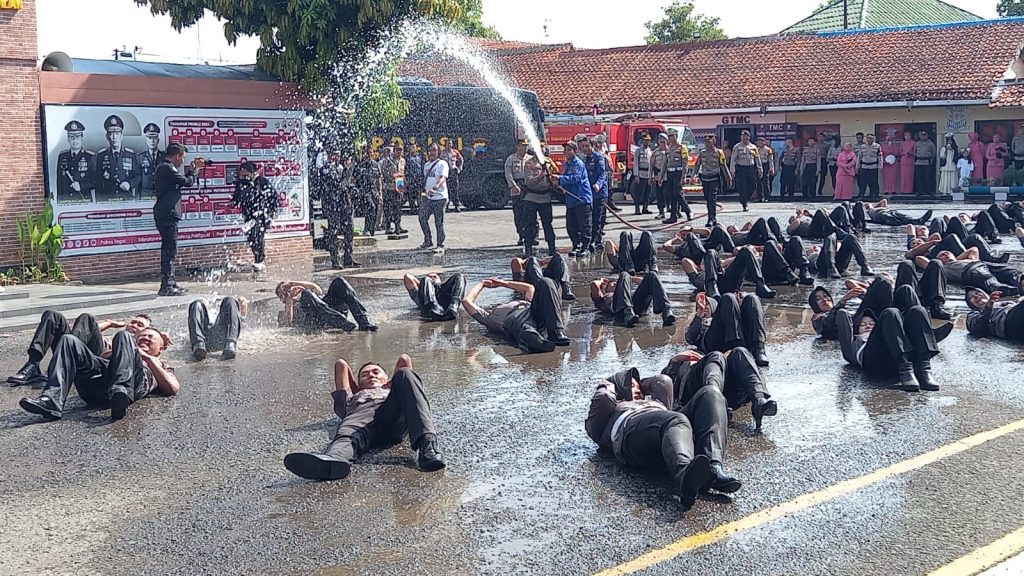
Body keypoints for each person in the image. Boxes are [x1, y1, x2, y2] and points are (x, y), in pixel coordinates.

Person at [283, 354, 445, 481]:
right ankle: (333, 461)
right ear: (358, 383)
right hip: (361, 421)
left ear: (388, 380)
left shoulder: (392, 390)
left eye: (376, 372)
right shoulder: (351, 396)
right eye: (365, 374)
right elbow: (341, 364)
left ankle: (428, 447)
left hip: (392, 416)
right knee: (347, 431)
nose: (371, 375)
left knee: (406, 373)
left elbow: (404, 360)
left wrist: (390, 384)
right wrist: (356, 388)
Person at [584, 366, 720, 509]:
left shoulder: (659, 403)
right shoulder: (613, 411)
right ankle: (684, 473)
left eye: (639, 387)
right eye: (630, 386)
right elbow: (603, 398)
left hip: (670, 436)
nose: (637, 390)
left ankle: (714, 468)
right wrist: (607, 384)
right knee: (677, 419)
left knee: (710, 394)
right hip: (631, 435)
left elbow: (664, 382)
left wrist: (641, 384)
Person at [19, 326, 178, 422]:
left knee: (122, 335)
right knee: (68, 340)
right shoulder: (122, 349)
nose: (145, 337)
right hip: (96, 388)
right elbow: (101, 360)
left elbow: (173, 388)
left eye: (151, 336)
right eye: (142, 336)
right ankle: (51, 400)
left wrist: (148, 358)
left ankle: (120, 393)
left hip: (130, 385)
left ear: (161, 349)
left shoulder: (162, 364)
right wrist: (115, 352)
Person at [8, 312, 153, 386]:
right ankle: (33, 365)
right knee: (53, 316)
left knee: (86, 318)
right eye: (133, 322)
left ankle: (60, 366)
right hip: (80, 351)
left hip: (95, 363)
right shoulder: (110, 337)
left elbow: (150, 358)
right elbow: (91, 328)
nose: (134, 325)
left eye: (140, 325)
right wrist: (109, 323)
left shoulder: (140, 344)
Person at [836, 293, 941, 392]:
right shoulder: (854, 342)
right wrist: (843, 302)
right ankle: (906, 370)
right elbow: (841, 315)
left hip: (898, 355)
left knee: (918, 310)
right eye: (862, 325)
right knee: (890, 312)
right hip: (875, 361)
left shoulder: (891, 328)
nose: (868, 326)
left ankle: (924, 370)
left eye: (872, 324)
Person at [661, 348, 777, 429]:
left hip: (724, 388)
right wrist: (675, 360)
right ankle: (714, 402)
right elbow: (666, 385)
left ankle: (759, 401)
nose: (693, 354)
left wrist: (725, 361)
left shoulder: (715, 356)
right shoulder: (683, 364)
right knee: (716, 355)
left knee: (740, 351)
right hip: (695, 392)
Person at [462, 276, 571, 353]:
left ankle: (556, 332)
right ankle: (533, 341)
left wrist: (502, 283)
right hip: (514, 320)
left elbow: (529, 288)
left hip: (532, 311)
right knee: (526, 327)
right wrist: (482, 284)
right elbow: (467, 301)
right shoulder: (490, 317)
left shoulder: (526, 301)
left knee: (546, 281)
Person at [154, 143, 203, 296]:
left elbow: (181, 180)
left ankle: (171, 282)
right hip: (166, 214)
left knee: (171, 250)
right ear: (177, 156)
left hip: (169, 214)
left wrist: (190, 171)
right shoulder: (165, 167)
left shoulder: (168, 168)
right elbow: (187, 182)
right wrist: (195, 170)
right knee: (169, 250)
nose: (183, 161)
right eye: (183, 158)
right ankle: (166, 286)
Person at [685, 291, 770, 366]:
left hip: (735, 337)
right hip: (713, 343)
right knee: (728, 297)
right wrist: (700, 313)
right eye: (703, 304)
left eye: (707, 304)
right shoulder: (699, 321)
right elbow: (690, 338)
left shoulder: (725, 314)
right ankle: (737, 347)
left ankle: (759, 349)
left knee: (752, 298)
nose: (705, 307)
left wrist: (739, 306)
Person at [276, 278, 378, 332]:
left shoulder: (307, 293)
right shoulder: (283, 312)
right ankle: (340, 321)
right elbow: (288, 322)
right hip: (320, 322)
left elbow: (317, 289)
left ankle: (363, 322)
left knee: (339, 282)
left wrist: (293, 283)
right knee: (307, 295)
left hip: (335, 314)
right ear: (282, 299)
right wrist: (289, 300)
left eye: (289, 289)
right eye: (284, 293)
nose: (289, 292)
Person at [231, 161, 278, 272]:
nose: (244, 177)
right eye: (242, 175)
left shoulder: (261, 182)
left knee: (258, 235)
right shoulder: (240, 183)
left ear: (253, 173)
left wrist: (273, 209)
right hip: (248, 214)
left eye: (246, 174)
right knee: (251, 237)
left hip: (261, 214)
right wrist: (234, 202)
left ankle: (260, 260)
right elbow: (236, 196)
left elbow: (273, 196)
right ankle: (257, 257)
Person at [590, 271, 676, 327]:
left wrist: (630, 278)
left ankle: (666, 311)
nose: (615, 285)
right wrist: (601, 281)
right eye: (612, 284)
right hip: (620, 311)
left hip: (634, 308)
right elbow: (594, 284)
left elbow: (643, 281)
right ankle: (628, 312)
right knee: (624, 274)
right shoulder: (602, 299)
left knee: (651, 275)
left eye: (617, 283)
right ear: (606, 289)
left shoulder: (627, 293)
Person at [322, 151, 360, 270]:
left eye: (338, 155)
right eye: (334, 154)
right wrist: (346, 171)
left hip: (345, 204)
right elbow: (336, 183)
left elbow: (347, 184)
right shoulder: (327, 169)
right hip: (333, 205)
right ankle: (335, 260)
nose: (336, 157)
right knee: (333, 232)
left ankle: (348, 258)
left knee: (349, 230)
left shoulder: (341, 168)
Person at [554, 140, 593, 257]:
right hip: (571, 200)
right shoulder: (567, 164)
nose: (566, 152)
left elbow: (575, 178)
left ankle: (585, 247)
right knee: (571, 226)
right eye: (565, 150)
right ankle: (576, 245)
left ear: (575, 151)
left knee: (584, 225)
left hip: (581, 199)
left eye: (569, 150)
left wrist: (560, 179)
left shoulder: (578, 164)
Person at [94, 114, 141, 202]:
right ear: (107, 137)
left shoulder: (130, 155)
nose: (114, 137)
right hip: (108, 200)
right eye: (111, 134)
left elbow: (138, 176)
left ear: (121, 136)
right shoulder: (101, 156)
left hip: (126, 199)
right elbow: (98, 183)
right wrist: (98, 202)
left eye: (117, 133)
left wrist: (129, 184)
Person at [521, 150, 558, 256]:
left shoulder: (548, 162)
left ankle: (552, 247)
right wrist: (540, 177)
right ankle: (528, 249)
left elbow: (556, 174)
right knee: (530, 224)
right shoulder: (529, 163)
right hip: (531, 197)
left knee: (548, 224)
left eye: (542, 148)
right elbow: (528, 182)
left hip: (545, 198)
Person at [580, 137, 609, 250]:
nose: (585, 149)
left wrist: (598, 184)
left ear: (592, 146)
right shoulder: (584, 159)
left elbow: (603, 173)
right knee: (589, 217)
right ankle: (591, 238)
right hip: (588, 193)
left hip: (599, 192)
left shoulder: (598, 157)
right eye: (583, 146)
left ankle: (596, 240)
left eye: (587, 146)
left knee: (597, 217)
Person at [55, 120, 95, 203]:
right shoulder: (62, 156)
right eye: (72, 137)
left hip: (83, 200)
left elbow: (95, 181)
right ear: (68, 139)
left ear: (82, 138)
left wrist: (81, 186)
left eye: (77, 137)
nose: (75, 140)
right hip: (66, 201)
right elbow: (59, 182)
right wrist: (59, 201)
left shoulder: (90, 157)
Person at [419, 144, 449, 253]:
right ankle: (428, 240)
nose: (432, 152)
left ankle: (440, 244)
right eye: (431, 150)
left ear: (438, 152)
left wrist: (435, 188)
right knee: (422, 218)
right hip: (428, 198)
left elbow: (443, 178)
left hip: (440, 197)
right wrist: (423, 192)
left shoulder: (442, 164)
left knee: (439, 221)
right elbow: (425, 180)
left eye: (435, 150)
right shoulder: (426, 165)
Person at [509, 253, 576, 301]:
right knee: (532, 259)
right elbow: (516, 261)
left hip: (543, 280)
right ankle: (542, 289)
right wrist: (528, 260)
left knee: (558, 257)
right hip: (533, 286)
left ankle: (566, 289)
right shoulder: (520, 273)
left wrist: (543, 262)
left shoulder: (539, 268)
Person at [403, 272, 467, 321]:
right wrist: (423, 285)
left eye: (434, 277)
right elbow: (407, 277)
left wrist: (436, 284)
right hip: (429, 306)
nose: (432, 278)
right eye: (430, 277)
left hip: (447, 303)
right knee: (426, 279)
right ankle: (433, 306)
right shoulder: (420, 294)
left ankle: (454, 305)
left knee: (460, 276)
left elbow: (460, 282)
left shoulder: (445, 289)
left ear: (440, 279)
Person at [696, 134, 730, 226]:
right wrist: (693, 176)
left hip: (714, 178)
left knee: (712, 199)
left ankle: (711, 218)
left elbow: (723, 165)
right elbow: (697, 164)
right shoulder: (702, 153)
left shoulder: (719, 153)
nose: (707, 144)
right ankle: (712, 217)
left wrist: (728, 178)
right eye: (706, 142)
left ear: (714, 142)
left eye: (709, 142)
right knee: (708, 199)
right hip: (705, 178)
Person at [505, 138, 532, 249]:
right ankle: (521, 235)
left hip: (529, 185)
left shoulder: (530, 158)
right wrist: (513, 186)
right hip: (517, 185)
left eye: (526, 146)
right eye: (522, 145)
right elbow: (508, 174)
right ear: (517, 146)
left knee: (531, 211)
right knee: (519, 212)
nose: (524, 148)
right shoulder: (511, 159)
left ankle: (533, 236)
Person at [663, 129, 692, 224]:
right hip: (670, 174)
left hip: (678, 173)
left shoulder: (682, 147)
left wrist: (683, 176)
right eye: (669, 136)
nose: (671, 138)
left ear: (676, 136)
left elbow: (685, 163)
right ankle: (673, 216)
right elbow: (665, 163)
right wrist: (661, 176)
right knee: (670, 195)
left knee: (677, 194)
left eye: (672, 136)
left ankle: (688, 211)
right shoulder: (668, 149)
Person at [730, 130, 762, 212]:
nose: (745, 139)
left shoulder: (754, 147)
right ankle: (744, 203)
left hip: (751, 168)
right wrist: (732, 170)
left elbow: (757, 159)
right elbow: (733, 159)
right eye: (743, 137)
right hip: (741, 168)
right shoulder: (737, 147)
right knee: (742, 186)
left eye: (746, 137)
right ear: (741, 138)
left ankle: (745, 198)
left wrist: (760, 169)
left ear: (749, 138)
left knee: (753, 185)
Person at [380, 145, 408, 237]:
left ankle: (397, 226)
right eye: (397, 150)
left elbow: (403, 173)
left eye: (400, 150)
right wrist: (391, 175)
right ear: (394, 151)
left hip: (399, 186)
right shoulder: (388, 160)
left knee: (398, 207)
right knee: (388, 208)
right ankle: (388, 227)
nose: (399, 152)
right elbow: (382, 173)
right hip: (389, 186)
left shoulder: (403, 161)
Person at [356, 144, 384, 237]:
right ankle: (366, 228)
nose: (369, 155)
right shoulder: (361, 165)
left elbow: (379, 179)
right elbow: (356, 179)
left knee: (375, 210)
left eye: (370, 153)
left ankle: (371, 230)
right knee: (371, 207)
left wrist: (380, 194)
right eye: (367, 153)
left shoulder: (376, 165)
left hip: (374, 191)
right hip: (365, 191)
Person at [137, 123, 163, 200]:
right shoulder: (139, 157)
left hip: (161, 195)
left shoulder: (164, 157)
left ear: (158, 140)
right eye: (149, 138)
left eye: (154, 137)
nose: (152, 141)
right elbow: (138, 179)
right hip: (146, 196)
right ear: (146, 140)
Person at [632, 132, 654, 214]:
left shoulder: (651, 151)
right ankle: (637, 209)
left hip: (648, 174)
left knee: (647, 193)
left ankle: (645, 208)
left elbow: (652, 164)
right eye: (645, 140)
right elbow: (636, 163)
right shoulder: (638, 151)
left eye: (648, 140)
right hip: (641, 174)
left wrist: (652, 175)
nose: (647, 142)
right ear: (642, 141)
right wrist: (636, 175)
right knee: (639, 193)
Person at [440, 138, 464, 212]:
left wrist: (459, 168)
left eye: (450, 143)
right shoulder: (442, 153)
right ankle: (446, 205)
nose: (449, 145)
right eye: (447, 144)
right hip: (446, 172)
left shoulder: (455, 152)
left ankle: (456, 206)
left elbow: (461, 159)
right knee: (447, 189)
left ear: (452, 144)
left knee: (455, 189)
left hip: (453, 171)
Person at [856, 133, 882, 200]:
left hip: (873, 166)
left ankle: (875, 195)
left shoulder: (877, 146)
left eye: (871, 138)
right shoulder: (862, 146)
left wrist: (880, 166)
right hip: (864, 166)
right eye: (868, 138)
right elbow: (859, 157)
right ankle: (861, 195)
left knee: (874, 182)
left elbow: (880, 157)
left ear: (873, 139)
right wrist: (857, 166)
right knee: (863, 182)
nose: (869, 139)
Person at [650, 133, 669, 219]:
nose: (662, 143)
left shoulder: (669, 151)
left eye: (664, 141)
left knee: (670, 194)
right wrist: (650, 176)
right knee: (659, 194)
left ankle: (674, 210)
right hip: (658, 176)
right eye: (660, 141)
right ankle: (661, 212)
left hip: (668, 175)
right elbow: (652, 164)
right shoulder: (656, 152)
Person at [913, 130, 937, 196]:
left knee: (928, 178)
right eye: (922, 135)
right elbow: (914, 152)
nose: (923, 136)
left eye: (925, 135)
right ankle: (920, 191)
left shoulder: (930, 143)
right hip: (918, 162)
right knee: (919, 178)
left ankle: (929, 191)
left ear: (927, 135)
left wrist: (931, 159)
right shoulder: (917, 143)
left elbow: (933, 152)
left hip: (927, 162)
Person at [756, 137, 776, 203]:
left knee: (765, 182)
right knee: (758, 182)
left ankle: (767, 197)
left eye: (761, 142)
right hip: (758, 165)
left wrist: (771, 169)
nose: (759, 143)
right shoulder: (756, 149)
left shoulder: (768, 149)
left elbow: (771, 160)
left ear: (764, 142)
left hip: (765, 165)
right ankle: (759, 197)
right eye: (758, 142)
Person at [405, 143, 424, 214]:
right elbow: (406, 168)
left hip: (418, 178)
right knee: (411, 195)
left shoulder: (420, 156)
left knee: (419, 195)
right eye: (411, 147)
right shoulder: (407, 157)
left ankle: (420, 209)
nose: (412, 148)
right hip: (411, 178)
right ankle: (412, 208)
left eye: (414, 147)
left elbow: (422, 166)